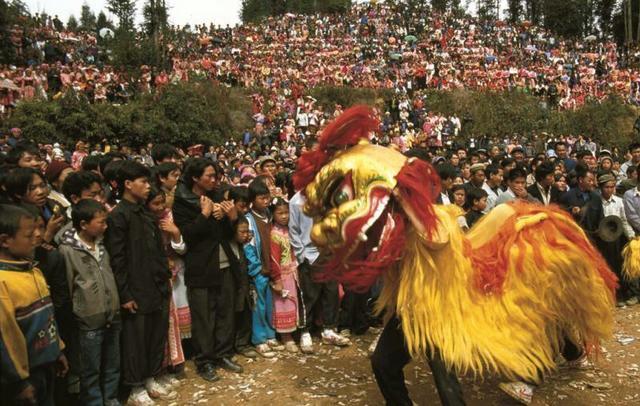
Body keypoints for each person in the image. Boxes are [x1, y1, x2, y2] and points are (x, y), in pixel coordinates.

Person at [104, 161, 175, 405]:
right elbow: (118, 259)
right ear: (127, 184)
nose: (147, 187)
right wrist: (125, 294)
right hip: (136, 287)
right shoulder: (119, 217)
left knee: (155, 334)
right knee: (136, 339)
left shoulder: (146, 213)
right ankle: (135, 386)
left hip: (156, 284)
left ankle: (150, 377)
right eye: (143, 182)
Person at [172, 158, 241, 382]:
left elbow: (229, 234)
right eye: (209, 176)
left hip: (224, 263)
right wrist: (205, 214)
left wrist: (231, 218)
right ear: (195, 177)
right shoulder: (182, 202)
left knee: (225, 313)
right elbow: (188, 236)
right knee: (203, 317)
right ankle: (204, 361)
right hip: (201, 266)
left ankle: (223, 354)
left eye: (216, 176)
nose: (214, 180)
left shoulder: (219, 196)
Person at [0, 204, 68, 406]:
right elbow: (5, 340)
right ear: (4, 240)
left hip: (46, 365)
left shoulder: (34, 271)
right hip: (24, 375)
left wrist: (59, 349)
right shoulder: (3, 283)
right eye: (29, 234)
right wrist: (18, 382)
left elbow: (48, 318)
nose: (38, 235)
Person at [58, 199, 120, 406]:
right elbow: (68, 287)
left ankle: (110, 399)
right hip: (88, 320)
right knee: (90, 369)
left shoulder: (102, 244)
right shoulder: (68, 251)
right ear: (83, 224)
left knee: (112, 364)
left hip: (112, 314)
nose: (105, 226)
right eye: (100, 222)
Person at [289, 190, 350, 354]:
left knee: (331, 292)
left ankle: (329, 329)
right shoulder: (296, 202)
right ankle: (305, 331)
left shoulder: (328, 196)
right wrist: (302, 256)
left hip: (329, 251)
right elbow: (294, 230)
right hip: (310, 254)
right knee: (309, 295)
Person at [146, 186, 187, 385]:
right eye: (156, 203)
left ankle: (171, 364)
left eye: (163, 202)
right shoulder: (144, 222)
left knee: (171, 322)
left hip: (174, 275)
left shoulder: (170, 218)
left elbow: (181, 248)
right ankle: (157, 370)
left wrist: (176, 233)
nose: (161, 207)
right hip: (154, 279)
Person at [584, 174, 639, 306]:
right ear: (601, 188)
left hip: (617, 239)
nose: (609, 190)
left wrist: (631, 236)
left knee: (620, 266)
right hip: (602, 241)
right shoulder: (595, 203)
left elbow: (624, 220)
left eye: (612, 187)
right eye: (606, 187)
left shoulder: (619, 201)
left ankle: (623, 295)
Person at [244, 178, 281, 357]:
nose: (265, 201)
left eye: (267, 198)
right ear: (253, 199)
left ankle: (270, 334)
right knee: (257, 305)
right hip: (259, 270)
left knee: (269, 304)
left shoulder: (270, 215)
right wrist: (256, 269)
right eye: (261, 198)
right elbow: (248, 246)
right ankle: (259, 339)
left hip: (271, 267)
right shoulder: (249, 220)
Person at [269, 197, 301, 353]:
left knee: (294, 302)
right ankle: (286, 337)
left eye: (286, 212)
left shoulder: (290, 229)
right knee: (284, 303)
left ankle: (294, 332)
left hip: (294, 271)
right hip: (283, 274)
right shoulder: (274, 234)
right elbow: (274, 259)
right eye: (280, 213)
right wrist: (277, 279)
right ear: (273, 214)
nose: (284, 216)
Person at [229, 216, 259, 359]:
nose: (246, 235)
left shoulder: (245, 246)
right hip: (232, 289)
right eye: (242, 232)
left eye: (248, 232)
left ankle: (242, 344)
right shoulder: (229, 247)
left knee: (245, 313)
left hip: (245, 287)